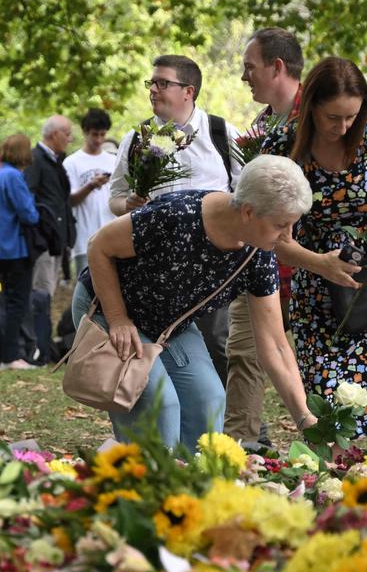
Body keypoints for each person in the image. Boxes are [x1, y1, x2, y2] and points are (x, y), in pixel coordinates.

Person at [73, 155, 317, 450]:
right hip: (111, 305)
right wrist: (117, 318)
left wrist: (305, 418)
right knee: (157, 402)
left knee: (209, 400)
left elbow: (276, 346)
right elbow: (98, 246)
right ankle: (146, 484)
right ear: (249, 212)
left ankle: (193, 485)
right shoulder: (178, 215)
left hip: (170, 324)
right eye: (281, 224)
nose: (288, 236)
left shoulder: (258, 254)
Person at [264, 56, 367, 455]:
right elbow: (273, 236)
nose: (343, 127)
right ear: (310, 109)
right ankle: (336, 494)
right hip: (320, 289)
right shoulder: (282, 147)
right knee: (328, 392)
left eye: (351, 117)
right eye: (332, 117)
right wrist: (320, 263)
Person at [107, 54, 242, 385]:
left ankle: (223, 428)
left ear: (188, 91)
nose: (153, 90)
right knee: (155, 350)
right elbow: (114, 199)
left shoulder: (222, 134)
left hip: (209, 269)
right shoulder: (137, 139)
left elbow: (245, 195)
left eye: (162, 83)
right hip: (151, 267)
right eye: (151, 83)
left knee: (216, 347)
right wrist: (130, 204)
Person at [227, 25, 304, 448]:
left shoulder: (320, 115)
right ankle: (244, 444)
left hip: (312, 264)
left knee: (312, 363)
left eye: (249, 67)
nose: (244, 77)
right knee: (243, 352)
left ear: (277, 67)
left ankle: (323, 446)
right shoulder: (260, 125)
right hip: (259, 260)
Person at [0, 134, 41, 371]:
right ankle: (11, 356)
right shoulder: (13, 177)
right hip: (16, 249)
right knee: (17, 304)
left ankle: (8, 354)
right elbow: (29, 214)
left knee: (9, 301)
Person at [26, 115, 74, 364]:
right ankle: (37, 348)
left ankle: (42, 346)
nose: (70, 139)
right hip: (44, 243)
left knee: (47, 294)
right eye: (67, 133)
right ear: (54, 134)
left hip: (56, 242)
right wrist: (44, 230)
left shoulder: (55, 161)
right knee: (41, 295)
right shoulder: (36, 160)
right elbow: (30, 198)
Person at [63, 108, 115, 277]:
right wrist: (91, 185)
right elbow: (70, 200)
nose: (99, 139)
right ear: (85, 132)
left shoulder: (113, 161)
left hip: (112, 236)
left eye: (102, 134)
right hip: (84, 239)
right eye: (94, 134)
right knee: (86, 293)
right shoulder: (71, 162)